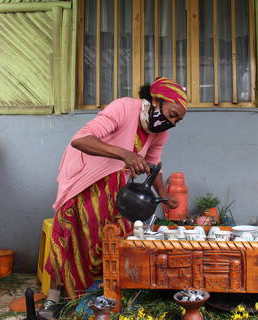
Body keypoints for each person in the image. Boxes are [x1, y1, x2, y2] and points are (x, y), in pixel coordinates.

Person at [41, 77, 187, 317]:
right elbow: (80, 139)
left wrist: (164, 196)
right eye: (172, 114)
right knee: (69, 237)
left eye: (177, 120)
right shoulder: (124, 108)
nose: (172, 122)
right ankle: (54, 298)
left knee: (112, 240)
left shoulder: (158, 131)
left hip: (116, 186)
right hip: (83, 177)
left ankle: (99, 295)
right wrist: (125, 155)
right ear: (156, 100)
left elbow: (153, 164)